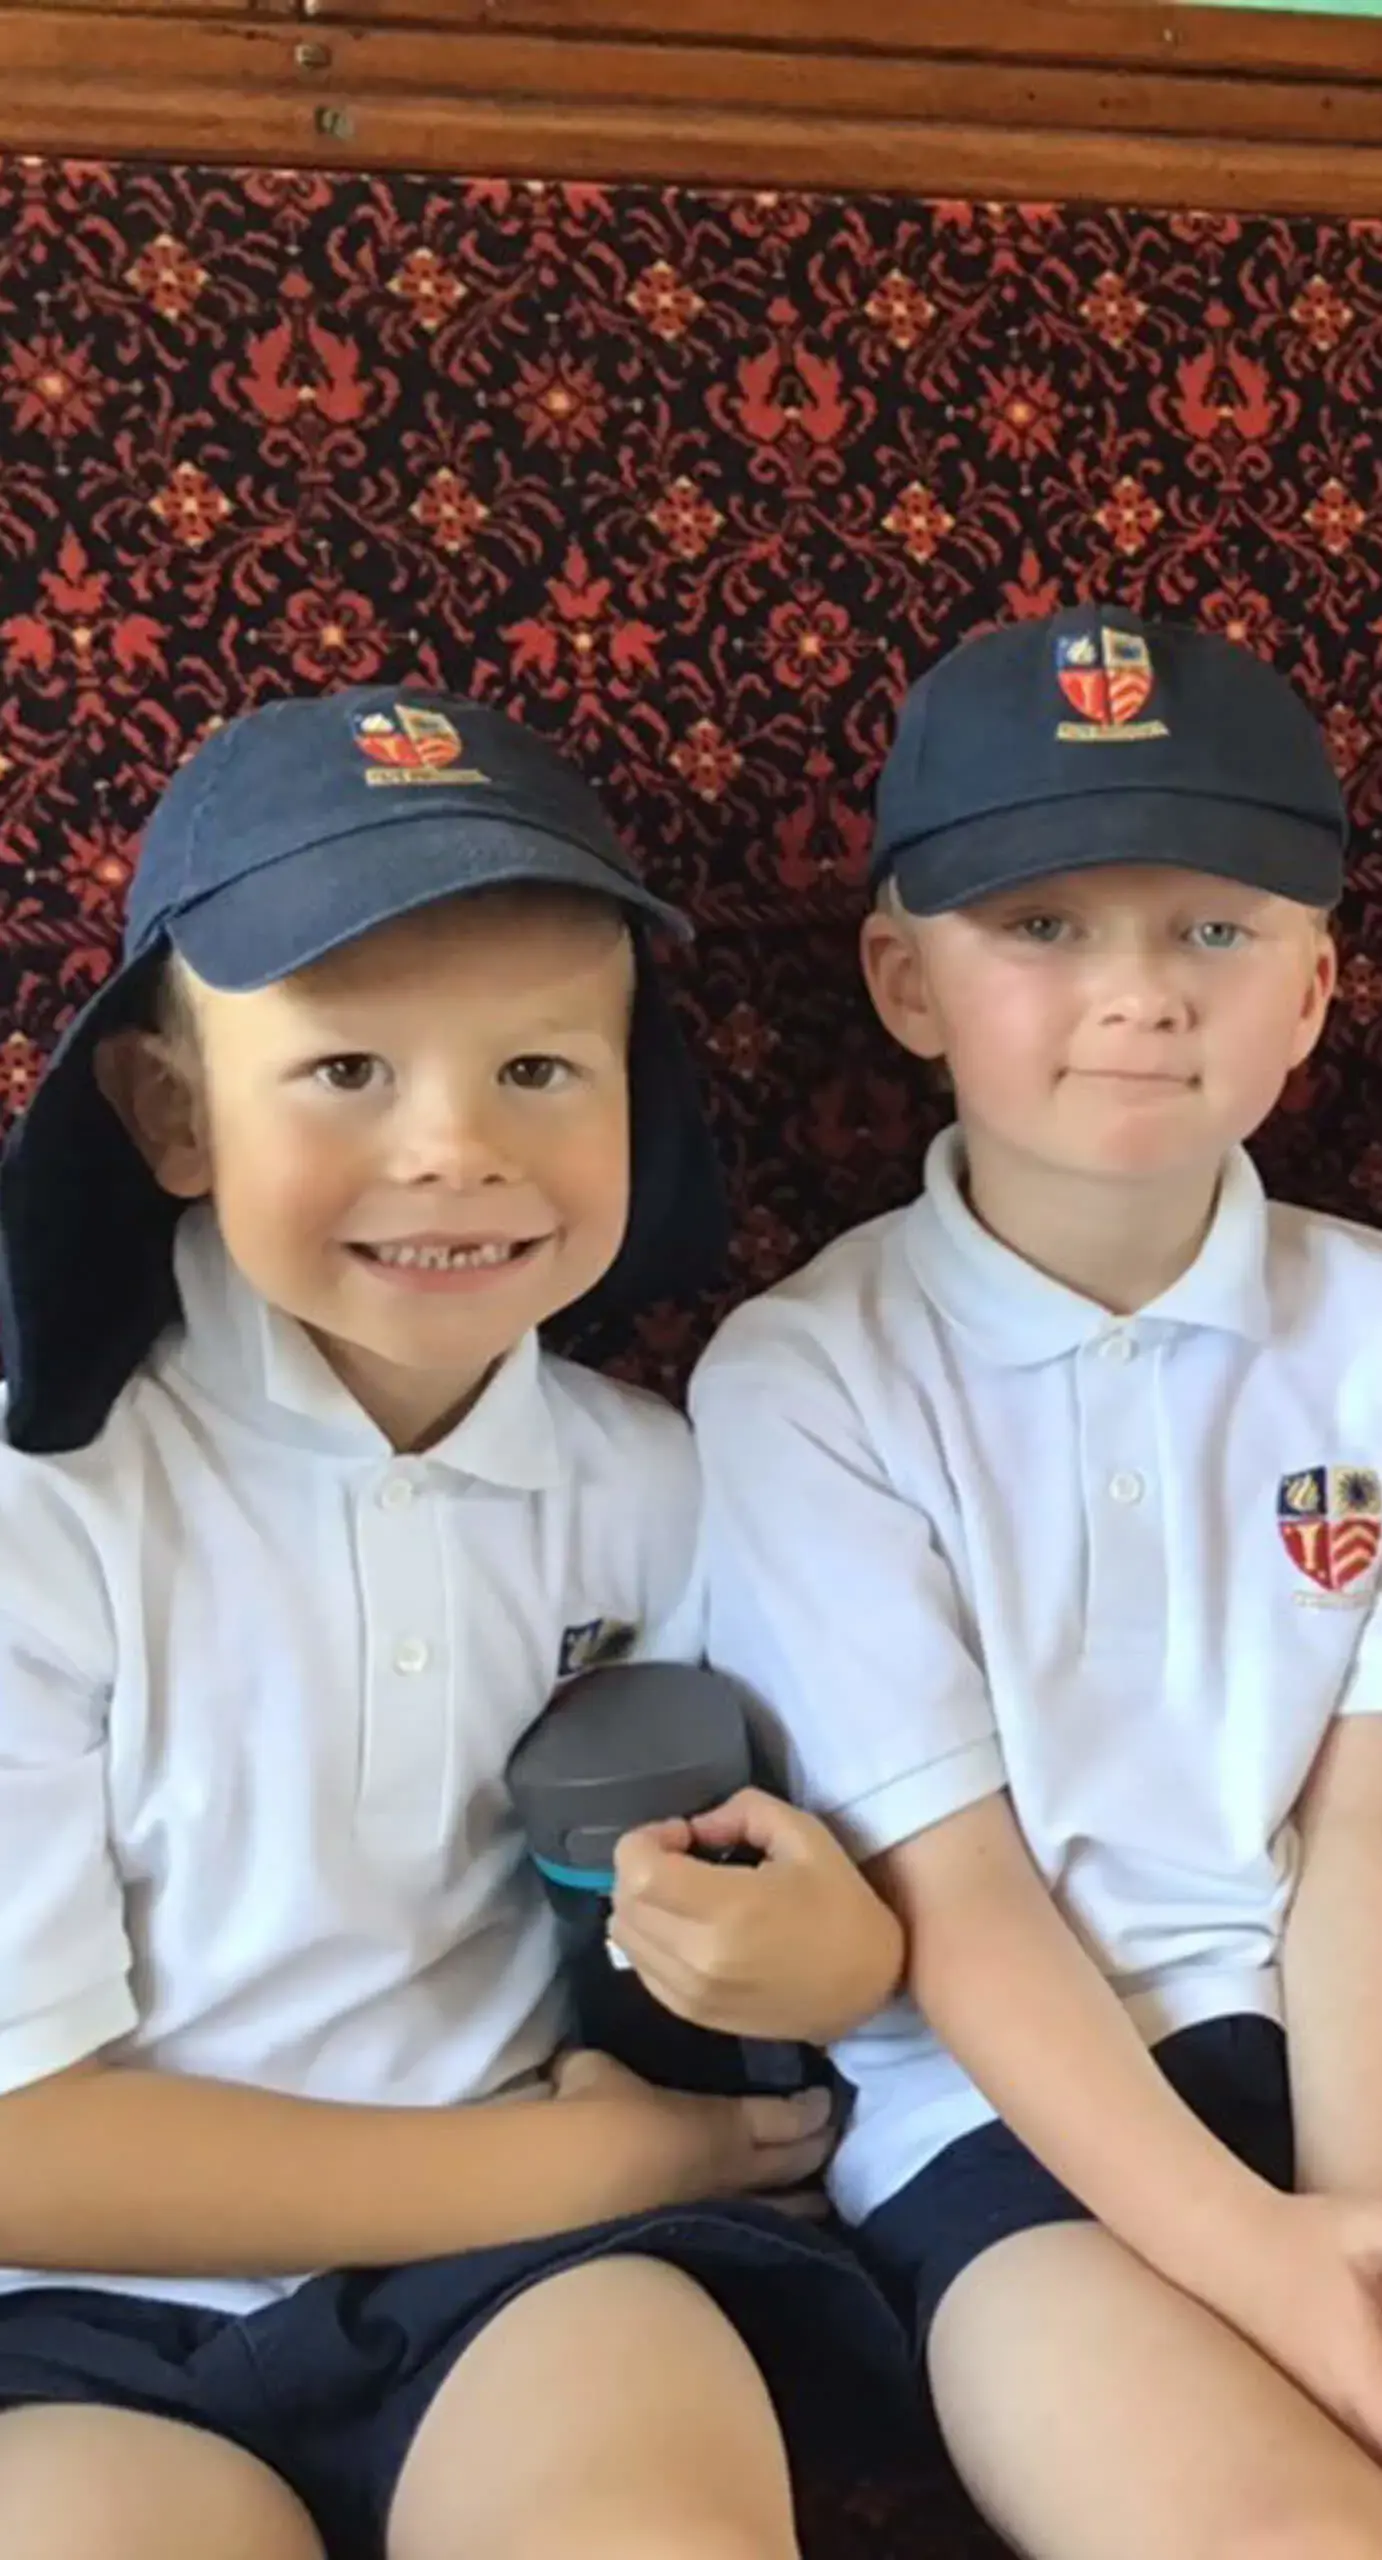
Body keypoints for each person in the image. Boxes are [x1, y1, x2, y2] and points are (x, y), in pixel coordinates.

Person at [0, 686, 908, 2560]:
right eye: (345, 1072)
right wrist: (605, 2154)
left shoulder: (665, 1477)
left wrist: (822, 1959)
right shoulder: (51, 1509)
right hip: (82, 2314)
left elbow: (815, 1909)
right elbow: (26, 2152)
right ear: (171, 1113)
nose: (452, 1151)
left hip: (536, 2286)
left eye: (537, 1072)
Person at [655, 609, 1382, 2559]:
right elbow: (950, 1893)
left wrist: (1355, 2216)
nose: (1138, 996)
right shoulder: (807, 1375)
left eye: (1210, 930)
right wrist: (1266, 2262)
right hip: (999, 2126)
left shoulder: (1372, 1321)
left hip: (1346, 2055)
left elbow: (1362, 1811)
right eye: (1044, 925)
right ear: (903, 978)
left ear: (1313, 987)